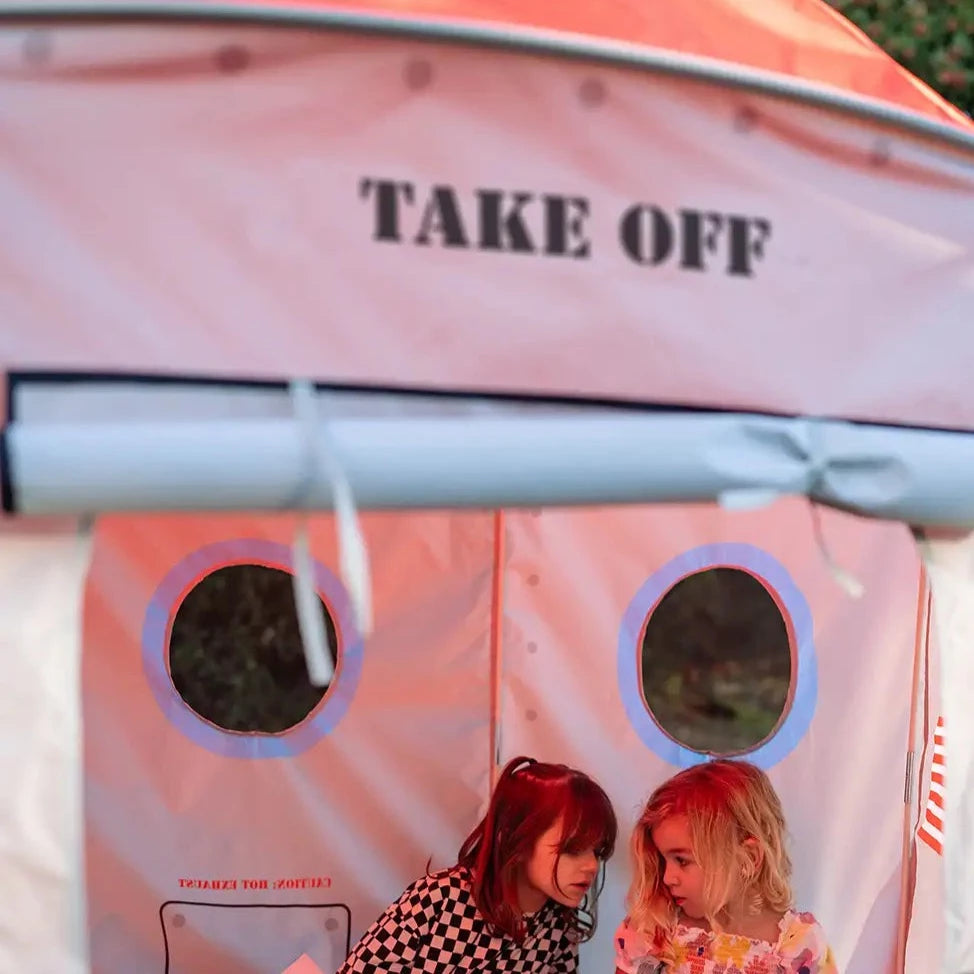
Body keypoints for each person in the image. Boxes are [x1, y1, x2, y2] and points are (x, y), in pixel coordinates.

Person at [338, 756, 617, 974]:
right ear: (516, 838)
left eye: (598, 850)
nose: (592, 865)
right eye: (573, 849)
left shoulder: (559, 926)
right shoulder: (440, 899)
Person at [615, 760, 837, 973]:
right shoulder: (653, 929)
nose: (667, 877)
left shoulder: (797, 945)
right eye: (663, 860)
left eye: (682, 860)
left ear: (748, 858)